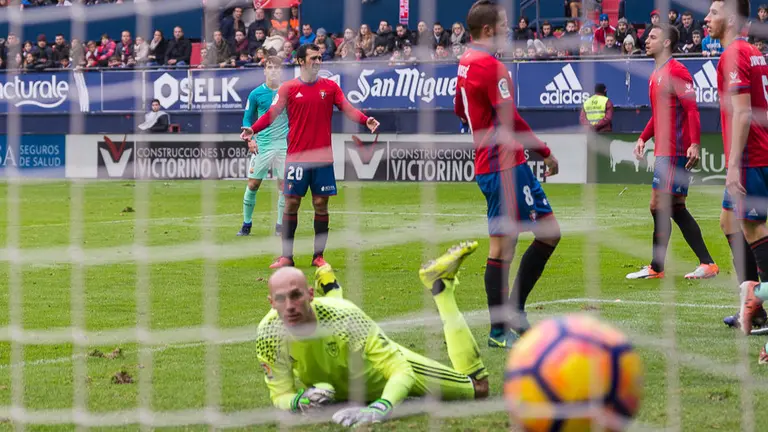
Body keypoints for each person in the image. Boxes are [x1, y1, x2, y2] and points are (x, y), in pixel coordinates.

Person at [256, 241, 489, 427]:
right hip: (347, 389)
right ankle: (331, 287)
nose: (289, 306)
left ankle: (441, 287)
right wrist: (300, 400)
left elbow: (401, 370)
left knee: (479, 388)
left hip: (385, 373)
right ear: (271, 302)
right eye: (280, 299)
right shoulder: (268, 334)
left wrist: (381, 407)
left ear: (309, 294)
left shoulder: (345, 317)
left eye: (296, 296)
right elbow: (280, 396)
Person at [455, 0, 560, 349]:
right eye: (502, 24)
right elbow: (510, 119)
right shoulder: (490, 67)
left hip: (493, 163)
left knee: (523, 240)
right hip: (504, 165)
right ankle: (500, 329)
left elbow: (458, 106)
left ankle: (510, 316)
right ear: (488, 30)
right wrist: (544, 151)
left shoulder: (465, 62)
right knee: (511, 245)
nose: (507, 29)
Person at [240, 44, 379, 269]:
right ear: (301, 61)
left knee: (320, 205)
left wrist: (365, 120)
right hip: (296, 158)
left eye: (320, 58)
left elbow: (347, 108)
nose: (317, 62)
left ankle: (318, 256)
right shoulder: (289, 88)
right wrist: (252, 129)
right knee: (291, 204)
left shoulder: (331, 87)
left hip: (323, 158)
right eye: (313, 58)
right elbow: (271, 115)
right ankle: (287, 256)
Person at [627, 24, 718, 281]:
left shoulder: (677, 71)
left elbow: (692, 110)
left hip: (675, 151)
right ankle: (706, 264)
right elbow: (658, 116)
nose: (646, 40)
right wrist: (643, 138)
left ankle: (657, 266)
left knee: (658, 205)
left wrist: (694, 144)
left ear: (667, 43)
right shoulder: (656, 74)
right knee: (675, 206)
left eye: (653, 37)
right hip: (664, 151)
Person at [705, 0, 768, 348]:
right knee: (729, 222)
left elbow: (742, 114)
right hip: (756, 152)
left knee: (755, 229)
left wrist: (731, 164)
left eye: (714, 12)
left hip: (750, 157)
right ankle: (752, 305)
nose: (708, 18)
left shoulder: (733, 55)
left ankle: (761, 305)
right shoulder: (751, 51)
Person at [237, 57, 289, 238]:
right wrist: (250, 139)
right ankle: (246, 224)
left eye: (277, 67)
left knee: (283, 186)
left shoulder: (288, 91)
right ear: (265, 70)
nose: (273, 70)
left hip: (284, 145)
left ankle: (280, 226)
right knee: (253, 184)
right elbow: (247, 118)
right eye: (270, 67)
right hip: (263, 146)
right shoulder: (256, 94)